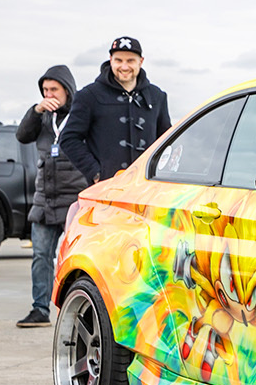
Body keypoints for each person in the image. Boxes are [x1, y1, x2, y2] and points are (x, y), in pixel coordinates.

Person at [14, 65, 89, 327]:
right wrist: (36, 111)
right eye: (45, 90)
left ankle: (77, 310)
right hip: (45, 199)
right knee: (41, 257)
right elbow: (22, 136)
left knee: (75, 259)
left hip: (74, 199)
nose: (49, 95)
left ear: (67, 90)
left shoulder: (82, 113)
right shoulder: (43, 116)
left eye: (54, 89)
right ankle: (39, 309)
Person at [60, 37, 171, 185]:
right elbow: (69, 139)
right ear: (110, 60)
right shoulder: (89, 95)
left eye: (130, 61)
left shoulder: (157, 96)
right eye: (118, 60)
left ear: (141, 61)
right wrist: (96, 173)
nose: (124, 67)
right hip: (106, 188)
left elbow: (167, 141)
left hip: (146, 187)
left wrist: (160, 173)